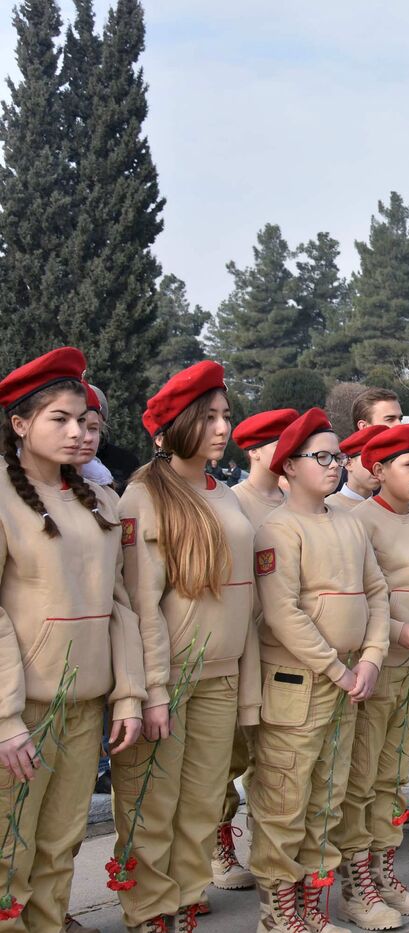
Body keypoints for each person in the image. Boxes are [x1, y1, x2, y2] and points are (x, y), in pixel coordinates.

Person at [0, 348, 145, 933]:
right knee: (11, 843)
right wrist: (7, 716)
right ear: (19, 424)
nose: (74, 431)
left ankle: (50, 920)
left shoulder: (100, 501)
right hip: (25, 709)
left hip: (86, 704)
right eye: (57, 418)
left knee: (61, 841)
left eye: (82, 419)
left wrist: (130, 693)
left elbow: (120, 606)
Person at [114, 361, 261, 933]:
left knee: (203, 799)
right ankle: (150, 911)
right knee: (152, 802)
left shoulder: (223, 494)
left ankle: (184, 897)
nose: (223, 428)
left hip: (222, 674)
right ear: (174, 427)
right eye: (208, 418)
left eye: (226, 416)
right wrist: (151, 688)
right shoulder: (144, 497)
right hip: (167, 676)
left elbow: (245, 599)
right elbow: (140, 605)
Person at [248, 408, 390, 932]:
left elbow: (377, 591)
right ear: (288, 465)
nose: (335, 465)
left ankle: (312, 903)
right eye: (322, 456)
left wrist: (372, 657)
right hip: (298, 684)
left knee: (327, 797)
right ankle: (278, 912)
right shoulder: (277, 529)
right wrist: (338, 668)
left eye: (339, 456)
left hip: (349, 680)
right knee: (285, 799)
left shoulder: (350, 524)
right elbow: (284, 612)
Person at [332, 423, 409, 924]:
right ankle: (357, 884)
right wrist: (397, 632)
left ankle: (383, 871)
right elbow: (364, 597)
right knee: (361, 779)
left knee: (394, 777)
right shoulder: (357, 521)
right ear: (378, 471)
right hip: (373, 670)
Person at [210, 407, 298, 893]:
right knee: (228, 754)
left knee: (276, 757)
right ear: (256, 450)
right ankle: (220, 842)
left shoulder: (299, 500)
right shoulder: (233, 502)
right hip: (245, 645)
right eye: (280, 443)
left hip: (291, 652)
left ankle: (277, 854)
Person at [326, 425, 388, 512]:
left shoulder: (387, 508)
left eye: (383, 461)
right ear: (348, 464)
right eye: (369, 460)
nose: (378, 469)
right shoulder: (327, 508)